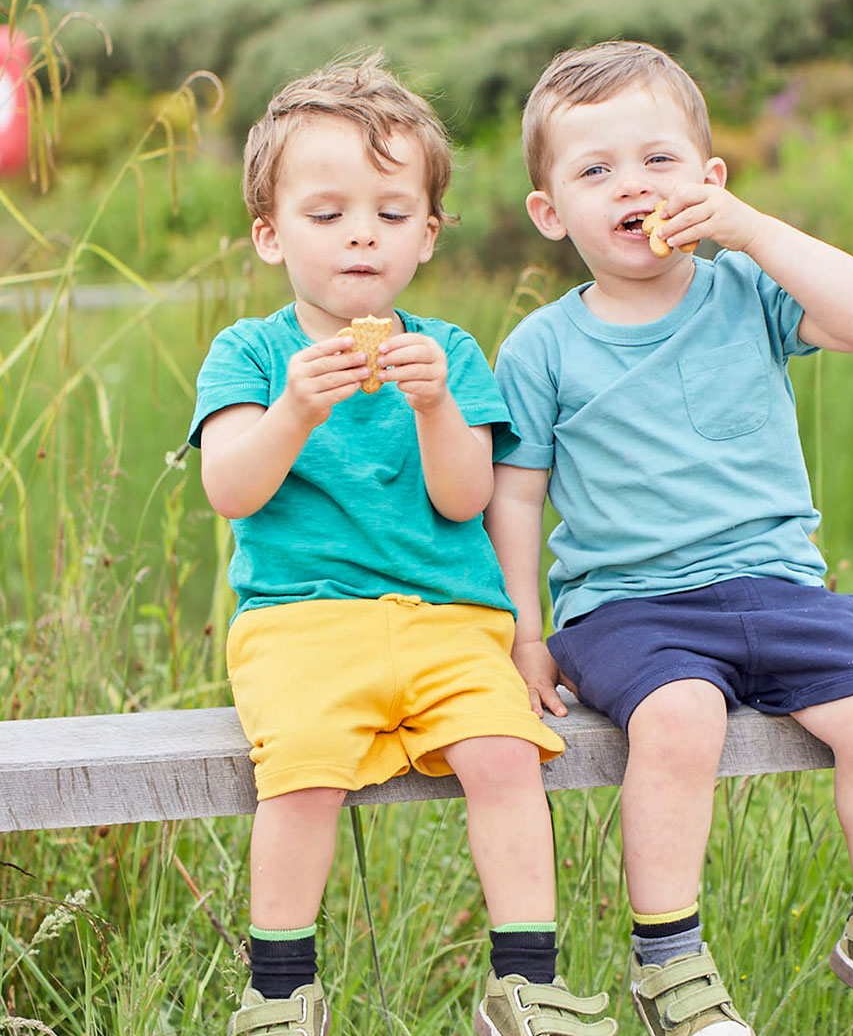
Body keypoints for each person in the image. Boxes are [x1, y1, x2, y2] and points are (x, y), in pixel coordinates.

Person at [485, 40, 853, 1036]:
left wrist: (754, 233)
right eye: (595, 170)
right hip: (629, 609)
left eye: (659, 160)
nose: (634, 185)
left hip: (780, 587)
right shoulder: (544, 344)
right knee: (679, 722)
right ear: (551, 214)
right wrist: (523, 633)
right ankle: (670, 964)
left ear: (709, 180)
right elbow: (517, 498)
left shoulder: (747, 293)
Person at [189, 55, 617, 1036]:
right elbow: (230, 486)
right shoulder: (251, 356)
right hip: (301, 622)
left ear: (427, 234)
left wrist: (433, 407)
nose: (360, 237)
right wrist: (295, 405)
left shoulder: (450, 354)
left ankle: (526, 981)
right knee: (299, 767)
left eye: (390, 214)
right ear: (270, 235)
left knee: (508, 754)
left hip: (446, 621)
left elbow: (466, 498)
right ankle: (279, 991)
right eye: (327, 213)